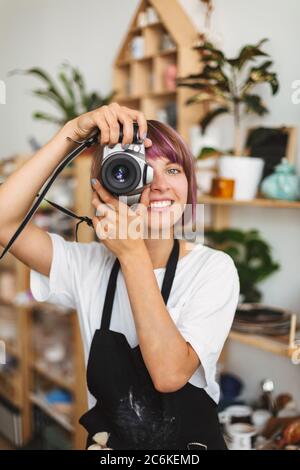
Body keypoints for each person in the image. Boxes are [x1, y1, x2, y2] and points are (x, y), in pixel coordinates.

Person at [0, 102, 239, 450]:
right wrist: (71, 133)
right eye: (140, 169)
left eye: (173, 169)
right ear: (108, 185)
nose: (158, 185)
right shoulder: (86, 265)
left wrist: (131, 254)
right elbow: (3, 222)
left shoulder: (213, 269)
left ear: (189, 184)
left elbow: (170, 375)